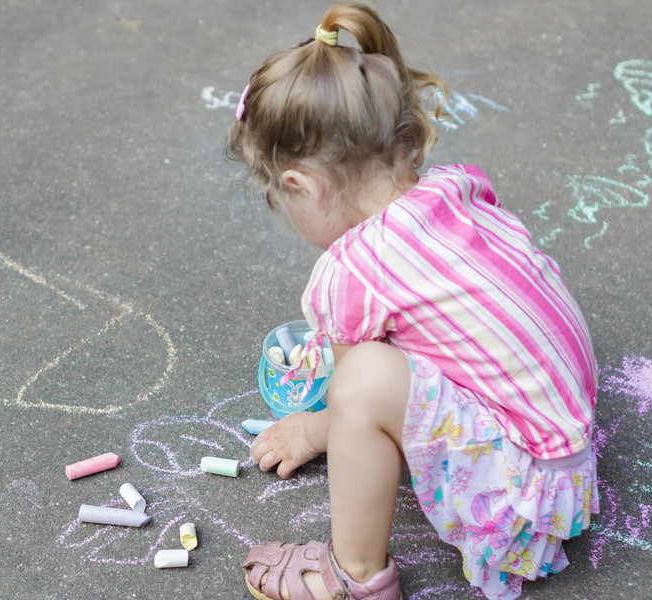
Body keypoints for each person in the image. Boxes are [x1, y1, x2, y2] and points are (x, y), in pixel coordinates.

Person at [225, 4, 599, 600]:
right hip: (568, 458)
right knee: (381, 367)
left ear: (304, 185)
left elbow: (355, 399)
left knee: (366, 376)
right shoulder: (458, 186)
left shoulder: (349, 271)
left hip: (524, 501)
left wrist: (311, 432)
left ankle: (353, 576)